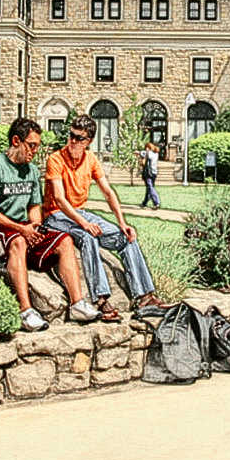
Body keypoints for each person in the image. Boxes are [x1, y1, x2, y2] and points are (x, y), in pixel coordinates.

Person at [0, 117, 101, 331]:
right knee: (19, 242)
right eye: (31, 146)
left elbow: (34, 208)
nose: (35, 151)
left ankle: (77, 304)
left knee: (64, 240)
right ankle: (26, 311)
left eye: (37, 146)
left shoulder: (31, 171)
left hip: (21, 228)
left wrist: (35, 227)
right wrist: (22, 229)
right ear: (16, 141)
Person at [42, 114, 169, 322]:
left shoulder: (91, 159)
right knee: (88, 236)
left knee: (126, 238)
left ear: (89, 141)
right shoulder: (55, 159)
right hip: (55, 215)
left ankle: (144, 297)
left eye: (79, 138)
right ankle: (100, 299)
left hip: (79, 212)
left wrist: (122, 223)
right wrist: (85, 224)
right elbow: (59, 199)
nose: (73, 141)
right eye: (71, 135)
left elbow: (108, 193)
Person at [138, 142, 161, 209]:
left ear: (148, 147)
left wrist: (138, 152)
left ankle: (156, 202)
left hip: (148, 173)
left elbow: (142, 153)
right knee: (149, 188)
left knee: (150, 188)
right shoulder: (156, 154)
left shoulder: (149, 153)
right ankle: (144, 203)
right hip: (154, 173)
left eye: (146, 147)